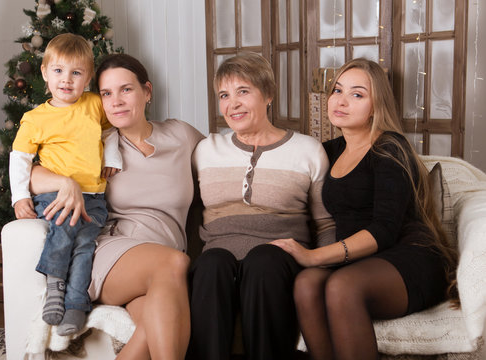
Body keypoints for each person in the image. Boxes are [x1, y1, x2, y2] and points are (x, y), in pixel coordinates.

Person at [272, 58, 459, 360]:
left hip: (408, 258)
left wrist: (313, 256)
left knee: (341, 287)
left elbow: (383, 231)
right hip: (360, 260)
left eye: (357, 94)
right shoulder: (328, 152)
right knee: (306, 284)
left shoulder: (389, 147)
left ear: (375, 106)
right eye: (337, 90)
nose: (341, 101)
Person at [28, 53, 204, 360]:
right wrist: (65, 183)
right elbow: (31, 175)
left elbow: (224, 158)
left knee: (152, 328)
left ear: (147, 91)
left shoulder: (181, 135)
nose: (116, 102)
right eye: (106, 93)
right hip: (111, 257)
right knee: (174, 263)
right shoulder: (95, 145)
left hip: (161, 265)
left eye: (126, 89)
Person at [187, 52, 335, 360]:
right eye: (224, 95)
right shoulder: (205, 150)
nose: (232, 104)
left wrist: (320, 267)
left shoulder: (308, 150)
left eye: (243, 91)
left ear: (268, 94)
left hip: (278, 261)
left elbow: (326, 224)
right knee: (211, 263)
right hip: (219, 259)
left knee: (264, 259)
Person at [9, 33, 121, 336]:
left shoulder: (94, 105)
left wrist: (112, 157)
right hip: (53, 195)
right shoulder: (35, 118)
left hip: (93, 195)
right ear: (45, 73)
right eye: (58, 71)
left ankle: (76, 304)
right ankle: (55, 284)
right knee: (64, 230)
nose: (66, 80)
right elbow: (20, 158)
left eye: (76, 72)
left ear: (88, 77)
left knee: (85, 244)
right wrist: (20, 197)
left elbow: (109, 132)